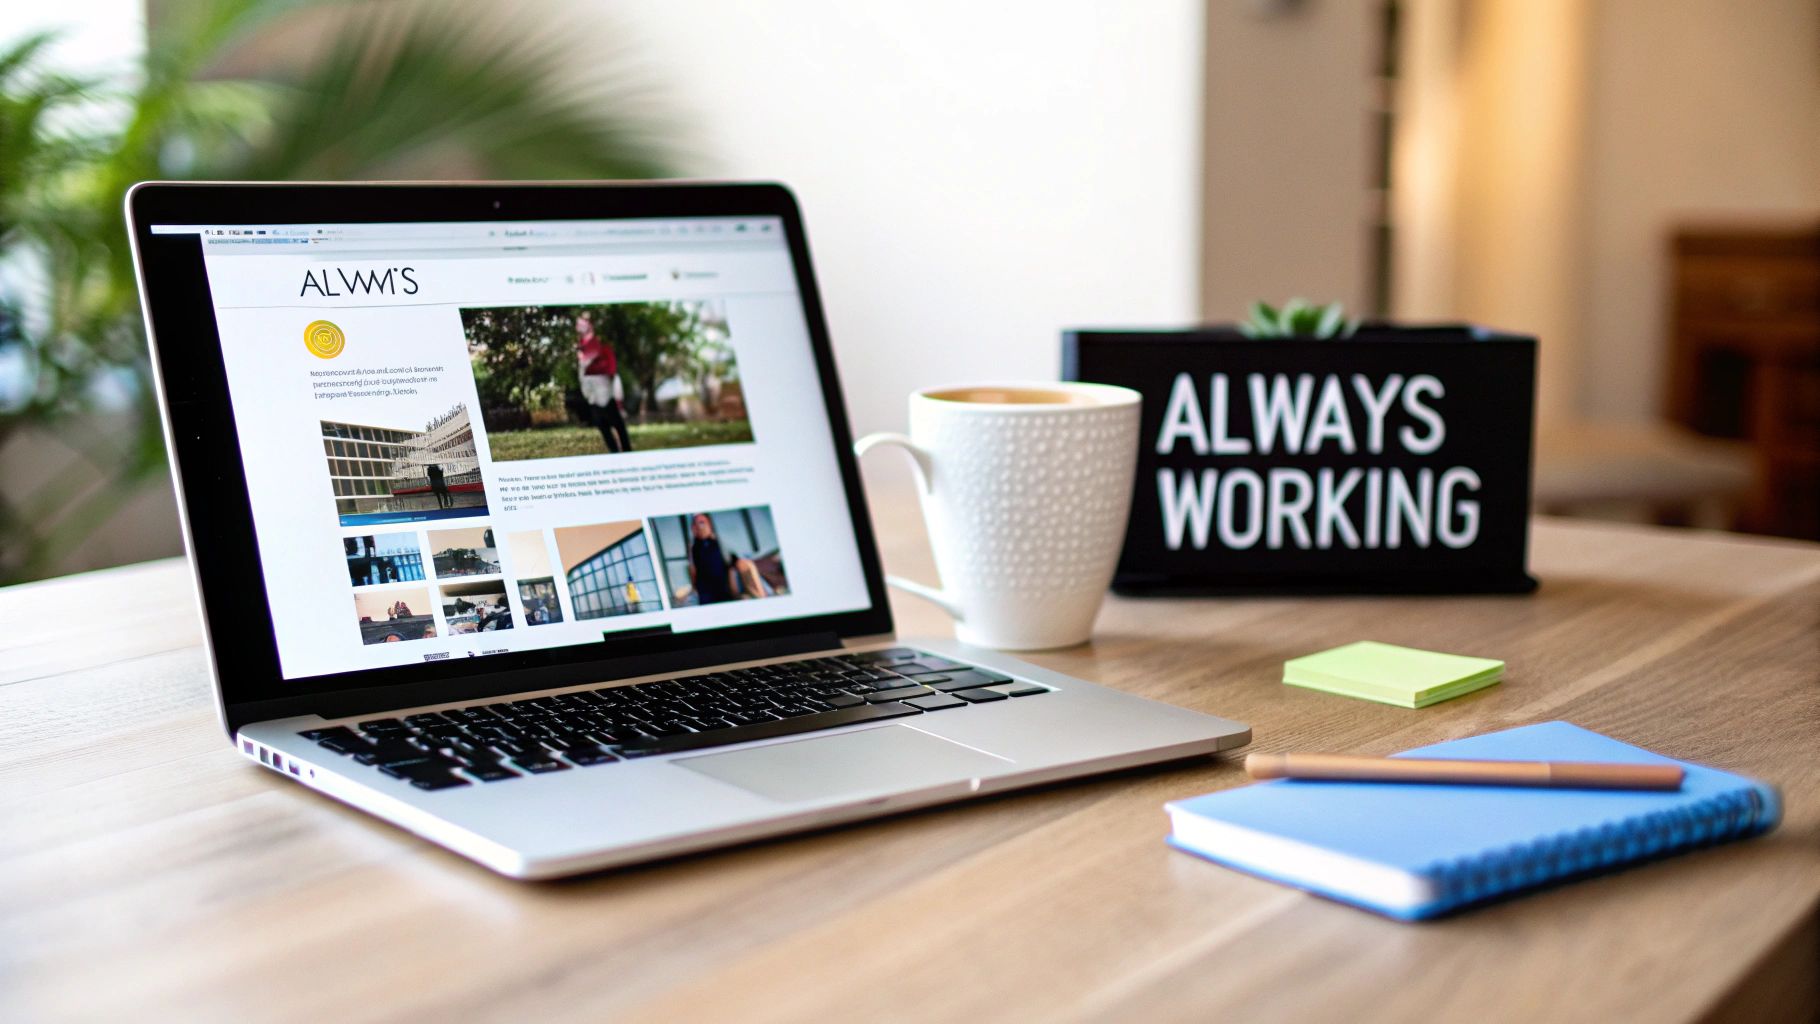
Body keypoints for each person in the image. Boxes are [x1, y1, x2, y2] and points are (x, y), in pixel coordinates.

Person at [576, 313, 632, 453]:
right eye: (578, 323)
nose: (579, 325)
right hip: (593, 396)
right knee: (603, 428)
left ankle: (627, 453)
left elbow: (612, 371)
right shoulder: (581, 348)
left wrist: (616, 397)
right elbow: (582, 374)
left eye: (582, 322)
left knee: (619, 426)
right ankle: (614, 453)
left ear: (590, 325)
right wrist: (588, 394)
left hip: (607, 393)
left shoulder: (601, 346)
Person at [685, 512, 766, 604]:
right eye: (695, 524)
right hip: (706, 594)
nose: (699, 527)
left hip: (725, 590)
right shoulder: (694, 548)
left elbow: (735, 559)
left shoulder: (719, 543)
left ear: (709, 524)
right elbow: (693, 571)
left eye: (702, 523)